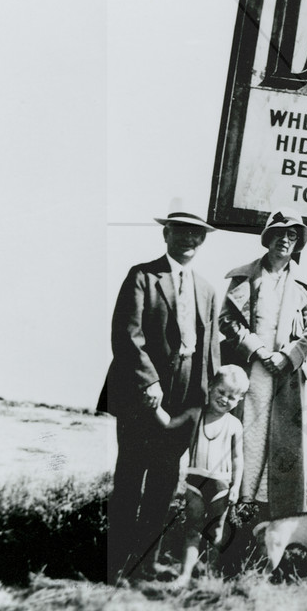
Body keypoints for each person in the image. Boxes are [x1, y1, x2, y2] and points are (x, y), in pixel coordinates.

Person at [97, 210, 220, 583]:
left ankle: (145, 564)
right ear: (166, 234)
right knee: (131, 479)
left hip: (186, 403)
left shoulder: (207, 289)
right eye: (181, 232)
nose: (189, 240)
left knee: (164, 485)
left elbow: (209, 350)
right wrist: (148, 383)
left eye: (197, 235)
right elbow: (126, 334)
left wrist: (206, 404)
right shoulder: (142, 276)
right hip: (141, 397)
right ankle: (115, 563)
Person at [219, 208, 307, 521]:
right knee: (245, 436)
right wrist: (258, 349)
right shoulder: (246, 277)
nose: (284, 240)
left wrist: (285, 356)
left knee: (278, 444)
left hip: (284, 376)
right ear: (267, 238)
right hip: (248, 371)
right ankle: (232, 514)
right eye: (279, 234)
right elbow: (227, 319)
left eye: (292, 235)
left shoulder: (302, 286)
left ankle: (270, 525)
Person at [153, 365, 248, 587]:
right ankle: (185, 575)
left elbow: (238, 459)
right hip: (195, 482)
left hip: (221, 485)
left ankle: (210, 574)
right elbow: (169, 423)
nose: (224, 399)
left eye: (232, 397)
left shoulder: (235, 425)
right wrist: (156, 407)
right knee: (192, 529)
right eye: (221, 392)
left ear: (240, 400)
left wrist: (236, 487)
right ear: (211, 386)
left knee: (216, 532)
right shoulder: (196, 414)